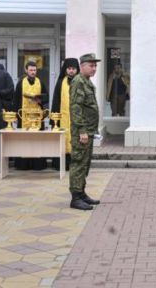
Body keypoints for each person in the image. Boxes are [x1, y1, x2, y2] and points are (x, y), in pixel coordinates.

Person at [69, 53, 102, 211]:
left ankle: (81, 193)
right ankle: (75, 197)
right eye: (91, 65)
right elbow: (76, 108)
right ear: (82, 66)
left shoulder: (87, 82)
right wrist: (82, 130)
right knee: (78, 163)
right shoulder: (78, 82)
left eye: (95, 65)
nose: (94, 68)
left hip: (88, 130)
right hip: (81, 131)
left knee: (85, 163)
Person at [14, 60, 49, 171]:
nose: (33, 72)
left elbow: (46, 97)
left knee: (37, 141)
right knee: (24, 140)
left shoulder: (40, 82)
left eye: (34, 70)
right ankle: (23, 164)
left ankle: (38, 164)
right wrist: (16, 115)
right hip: (23, 117)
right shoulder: (20, 83)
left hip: (37, 117)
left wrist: (40, 99)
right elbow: (16, 100)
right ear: (26, 70)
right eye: (31, 70)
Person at [50, 58, 80, 171]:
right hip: (62, 118)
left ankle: (77, 164)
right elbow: (55, 101)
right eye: (69, 68)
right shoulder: (60, 82)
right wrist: (53, 120)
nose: (71, 71)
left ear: (77, 70)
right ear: (65, 69)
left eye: (73, 69)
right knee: (63, 139)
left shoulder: (81, 82)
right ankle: (62, 164)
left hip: (77, 118)